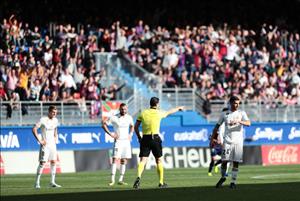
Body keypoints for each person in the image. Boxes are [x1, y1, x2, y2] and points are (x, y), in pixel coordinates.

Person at [133, 97, 184, 189]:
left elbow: (135, 127)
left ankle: (138, 177)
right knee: (159, 160)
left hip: (145, 138)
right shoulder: (159, 112)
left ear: (150, 103)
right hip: (155, 138)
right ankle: (161, 182)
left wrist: (139, 137)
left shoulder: (143, 113)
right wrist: (178, 108)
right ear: (157, 104)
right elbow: (169, 111)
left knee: (143, 161)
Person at [210, 95, 251, 189]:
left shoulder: (242, 113)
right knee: (224, 161)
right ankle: (223, 177)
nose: (237, 105)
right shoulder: (225, 114)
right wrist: (212, 139)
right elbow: (216, 126)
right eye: (235, 103)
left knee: (236, 162)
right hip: (227, 142)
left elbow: (249, 123)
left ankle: (233, 182)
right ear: (231, 103)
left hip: (238, 142)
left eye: (238, 103)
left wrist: (240, 122)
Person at [102, 103, 134, 186]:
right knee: (115, 159)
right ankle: (112, 180)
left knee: (124, 160)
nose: (123, 110)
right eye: (122, 109)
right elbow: (103, 124)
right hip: (118, 141)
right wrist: (111, 134)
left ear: (127, 109)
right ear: (119, 109)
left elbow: (132, 126)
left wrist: (130, 134)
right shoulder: (114, 117)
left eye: (125, 109)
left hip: (126, 142)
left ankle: (120, 179)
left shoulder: (129, 117)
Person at [32, 105, 61, 189]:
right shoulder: (43, 120)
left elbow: (55, 129)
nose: (55, 114)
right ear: (49, 112)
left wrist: (56, 137)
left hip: (52, 145)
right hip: (45, 145)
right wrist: (40, 140)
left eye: (56, 112)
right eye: (53, 112)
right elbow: (34, 129)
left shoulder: (55, 120)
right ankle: (37, 183)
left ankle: (52, 182)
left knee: (53, 162)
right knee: (42, 163)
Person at [208, 107, 228, 176]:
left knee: (225, 158)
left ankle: (217, 166)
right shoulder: (219, 126)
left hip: (220, 146)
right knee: (213, 159)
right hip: (215, 146)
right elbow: (211, 137)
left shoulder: (226, 125)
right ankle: (209, 171)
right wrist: (216, 140)